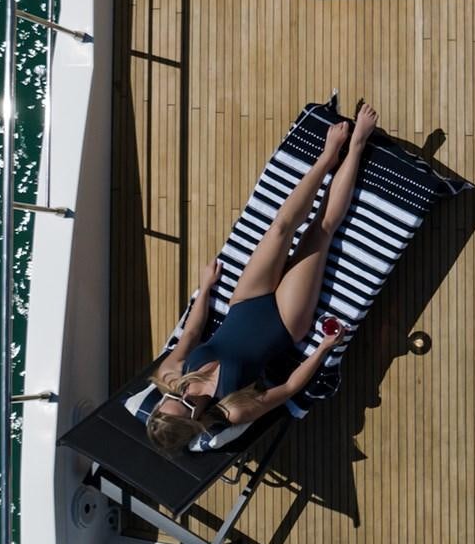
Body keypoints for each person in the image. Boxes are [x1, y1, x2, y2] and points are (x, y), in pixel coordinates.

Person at [144, 104, 380, 451]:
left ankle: (328, 157)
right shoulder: (230, 411)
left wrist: (206, 289)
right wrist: (323, 349)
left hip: (244, 303)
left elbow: (191, 332)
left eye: (165, 404)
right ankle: (357, 144)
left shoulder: (170, 375)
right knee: (320, 232)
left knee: (280, 229)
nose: (180, 397)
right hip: (285, 322)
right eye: (182, 406)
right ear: (191, 421)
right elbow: (288, 389)